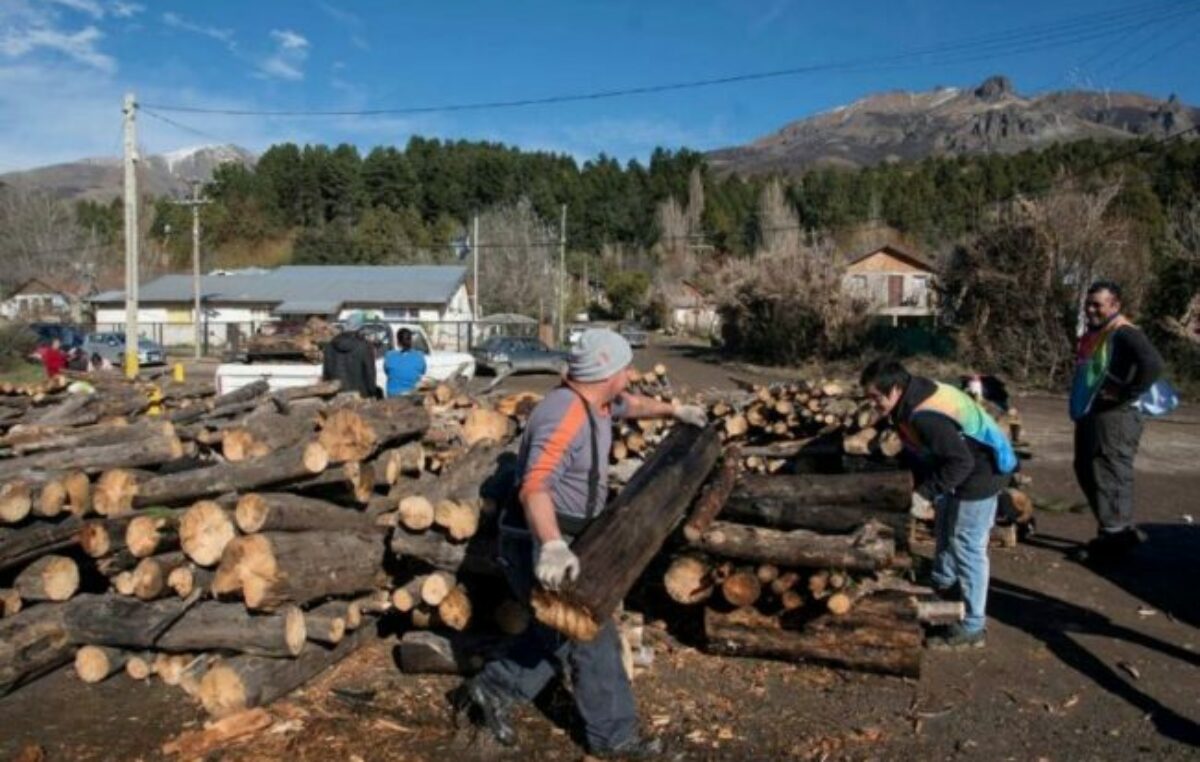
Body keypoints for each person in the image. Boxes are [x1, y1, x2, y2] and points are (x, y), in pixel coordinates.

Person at [455, 328, 707, 758]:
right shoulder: (563, 415)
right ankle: (617, 740)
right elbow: (535, 485)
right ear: (607, 370)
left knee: (555, 632)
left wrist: (674, 410)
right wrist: (552, 544)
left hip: (570, 535)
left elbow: (629, 405)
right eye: (625, 367)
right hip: (540, 537)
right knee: (590, 633)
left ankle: (492, 688)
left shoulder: (596, 401)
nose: (630, 374)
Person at [861, 358, 1016, 650]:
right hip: (960, 467)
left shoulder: (924, 415)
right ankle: (942, 583)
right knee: (946, 526)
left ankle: (972, 627)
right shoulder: (911, 396)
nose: (873, 405)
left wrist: (925, 494)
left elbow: (961, 461)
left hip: (982, 471)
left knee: (967, 545)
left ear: (895, 389)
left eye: (876, 398)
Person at [1069, 280, 1163, 564]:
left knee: (1109, 471)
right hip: (1093, 413)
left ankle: (1115, 538)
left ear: (1115, 305)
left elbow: (1153, 364)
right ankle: (1113, 530)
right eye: (1088, 303)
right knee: (1086, 466)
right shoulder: (1098, 333)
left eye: (1098, 304)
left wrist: (1126, 391)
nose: (1091, 309)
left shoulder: (1124, 332)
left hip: (1116, 416)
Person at [321, 313, 378, 398]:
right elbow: (370, 373)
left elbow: (326, 372)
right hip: (359, 395)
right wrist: (372, 391)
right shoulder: (365, 346)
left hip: (335, 394)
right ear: (360, 328)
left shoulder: (330, 345)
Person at [383, 328, 426, 397]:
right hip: (412, 395)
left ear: (398, 341)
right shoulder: (419, 356)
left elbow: (387, 372)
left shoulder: (389, 356)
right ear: (411, 341)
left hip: (393, 395)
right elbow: (422, 372)